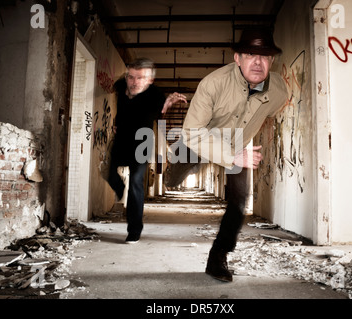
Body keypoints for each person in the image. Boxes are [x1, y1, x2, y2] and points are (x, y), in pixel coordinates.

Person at [164, 27, 288, 282]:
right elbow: (192, 132)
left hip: (237, 146)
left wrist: (235, 153)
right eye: (250, 55)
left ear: (272, 61)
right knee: (176, 173)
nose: (258, 62)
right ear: (237, 58)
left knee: (239, 200)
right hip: (201, 138)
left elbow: (268, 113)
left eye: (264, 56)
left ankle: (218, 257)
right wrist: (228, 156)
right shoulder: (213, 83)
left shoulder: (279, 91)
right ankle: (174, 171)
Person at [108, 58, 187, 244]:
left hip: (141, 142)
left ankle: (134, 231)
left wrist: (167, 103)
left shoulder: (155, 95)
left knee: (136, 182)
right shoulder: (122, 85)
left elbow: (160, 110)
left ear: (150, 80)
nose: (134, 82)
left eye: (140, 78)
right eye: (131, 77)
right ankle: (119, 187)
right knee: (111, 174)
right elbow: (115, 88)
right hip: (121, 139)